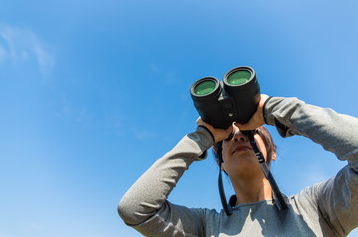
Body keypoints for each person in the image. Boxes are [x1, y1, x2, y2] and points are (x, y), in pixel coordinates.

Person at [118, 95, 358, 236]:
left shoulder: (316, 206)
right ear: (220, 163)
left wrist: (271, 109)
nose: (239, 137)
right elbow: (135, 209)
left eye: (250, 133)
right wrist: (202, 138)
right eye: (229, 139)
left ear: (271, 152)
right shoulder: (205, 226)